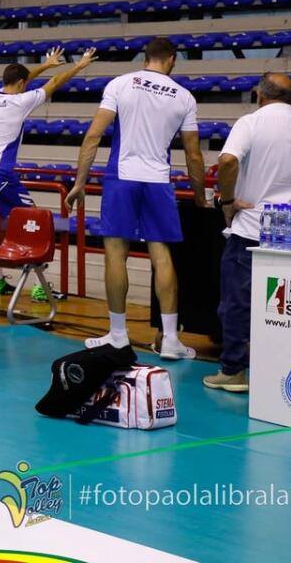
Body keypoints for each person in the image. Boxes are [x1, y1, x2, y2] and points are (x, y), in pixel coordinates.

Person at [65, 38, 207, 360]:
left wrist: (79, 182)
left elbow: (93, 136)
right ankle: (170, 339)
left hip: (122, 177)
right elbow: (194, 155)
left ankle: (118, 335)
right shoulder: (184, 97)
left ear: (146, 58)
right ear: (172, 59)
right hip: (158, 181)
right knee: (162, 255)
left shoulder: (120, 84)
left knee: (116, 254)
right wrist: (200, 197)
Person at [206, 74, 291, 392]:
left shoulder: (250, 123)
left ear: (259, 95)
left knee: (236, 302)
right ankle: (280, 367)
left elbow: (228, 161)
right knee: (288, 307)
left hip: (253, 226)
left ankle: (234, 370)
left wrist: (229, 201)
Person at [0, 45, 97, 301]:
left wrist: (45, 65)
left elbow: (23, 79)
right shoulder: (21, 101)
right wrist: (78, 66)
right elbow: (56, 83)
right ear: (22, 83)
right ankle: (40, 287)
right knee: (34, 219)